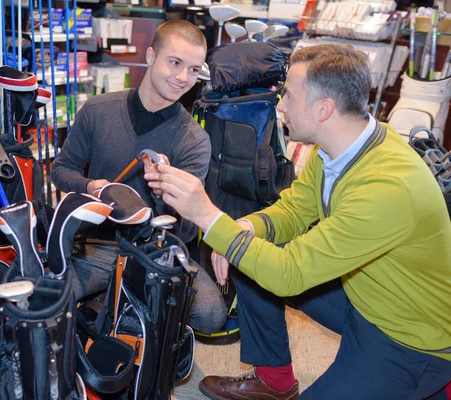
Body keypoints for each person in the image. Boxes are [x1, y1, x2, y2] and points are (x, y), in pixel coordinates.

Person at [145, 43, 451, 399]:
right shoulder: (342, 145)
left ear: (323, 109)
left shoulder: (387, 187)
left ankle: (435, 386)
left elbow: (289, 274)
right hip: (365, 296)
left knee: (256, 257)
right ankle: (274, 379)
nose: (280, 105)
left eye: (288, 95)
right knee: (248, 252)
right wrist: (246, 227)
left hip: (408, 338)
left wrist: (208, 216)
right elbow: (294, 210)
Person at [51, 19, 227, 334]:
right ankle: (119, 300)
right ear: (150, 57)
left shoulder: (195, 140)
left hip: (156, 251)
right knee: (47, 294)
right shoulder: (97, 110)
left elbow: (185, 230)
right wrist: (90, 186)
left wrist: (162, 192)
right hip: (98, 243)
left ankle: (112, 300)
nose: (183, 77)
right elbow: (61, 170)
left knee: (211, 316)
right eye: (175, 63)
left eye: (193, 69)